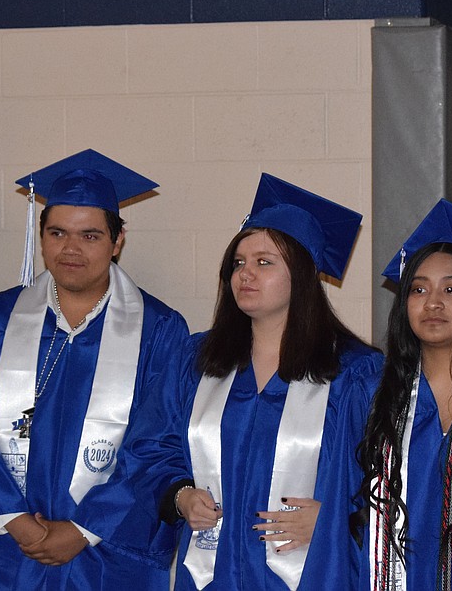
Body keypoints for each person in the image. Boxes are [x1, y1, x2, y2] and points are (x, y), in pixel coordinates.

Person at [79, 173, 381, 590]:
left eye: (264, 262)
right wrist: (180, 495)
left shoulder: (354, 372)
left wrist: (339, 520)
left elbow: (390, 478)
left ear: (304, 274)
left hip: (314, 575)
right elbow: (150, 449)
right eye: (238, 263)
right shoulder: (197, 360)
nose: (245, 274)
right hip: (211, 576)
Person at [0, 149, 190, 590]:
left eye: (90, 236)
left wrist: (82, 529)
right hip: (5, 551)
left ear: (118, 240)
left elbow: (158, 445)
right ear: (42, 235)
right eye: (58, 233)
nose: (71, 249)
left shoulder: (160, 330)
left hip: (106, 554)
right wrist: (16, 521)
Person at [357, 200, 452, 591]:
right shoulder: (372, 396)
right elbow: (349, 507)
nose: (432, 302)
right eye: (418, 288)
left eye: (451, 289)